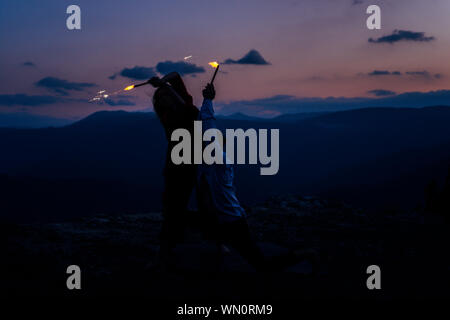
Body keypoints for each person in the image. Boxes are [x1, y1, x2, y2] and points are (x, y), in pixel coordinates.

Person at [197, 83, 277, 271]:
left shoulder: (220, 163)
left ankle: (302, 257)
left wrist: (208, 99)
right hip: (226, 219)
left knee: (257, 261)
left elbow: (208, 127)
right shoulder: (213, 165)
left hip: (233, 221)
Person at [151, 72, 199, 267]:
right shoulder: (171, 116)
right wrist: (168, 89)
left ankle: (170, 248)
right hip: (178, 163)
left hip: (192, 161)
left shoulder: (182, 106)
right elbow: (190, 111)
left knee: (182, 204)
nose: (164, 100)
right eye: (161, 98)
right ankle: (167, 250)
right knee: (173, 205)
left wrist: (164, 84)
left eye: (166, 96)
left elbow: (176, 76)